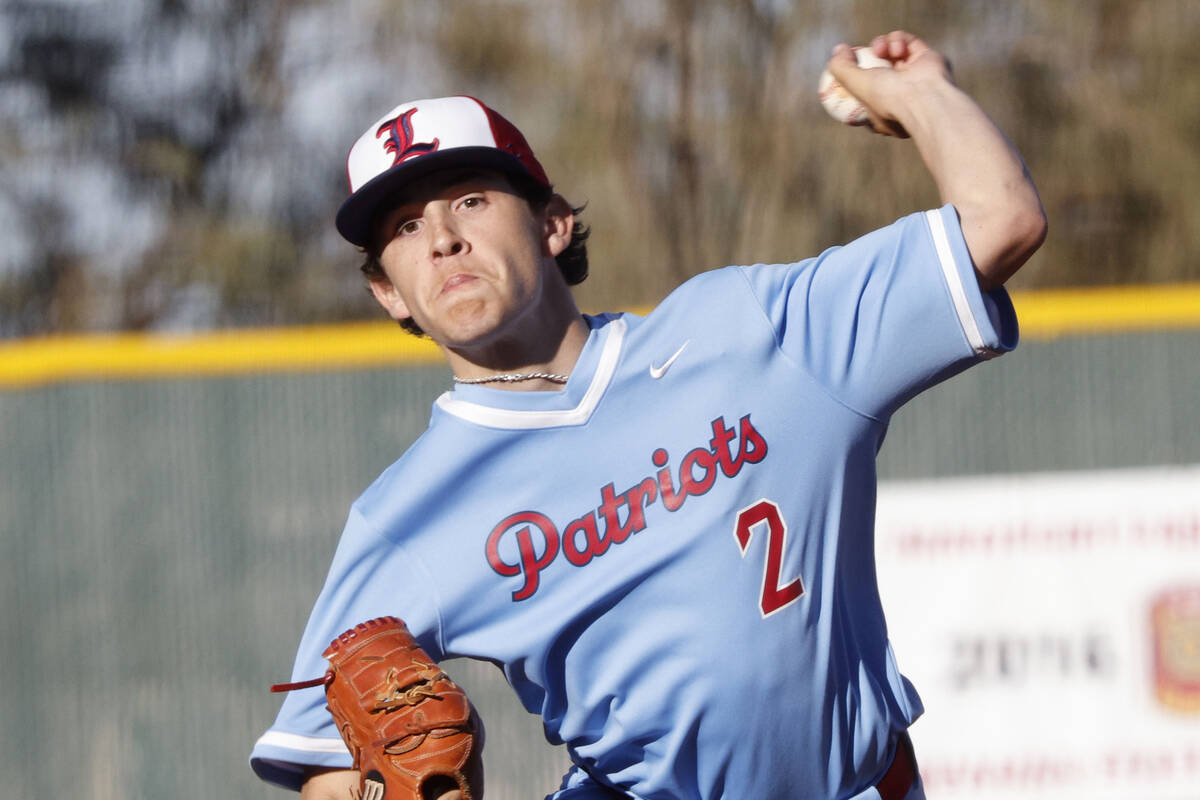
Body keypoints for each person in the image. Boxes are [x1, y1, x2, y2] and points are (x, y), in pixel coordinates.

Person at [250, 31, 1046, 800]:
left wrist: (923, 96)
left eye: (470, 199)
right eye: (405, 227)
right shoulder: (407, 517)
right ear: (387, 292)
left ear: (553, 222)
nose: (444, 240)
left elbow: (1001, 220)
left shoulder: (749, 331)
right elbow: (332, 762)